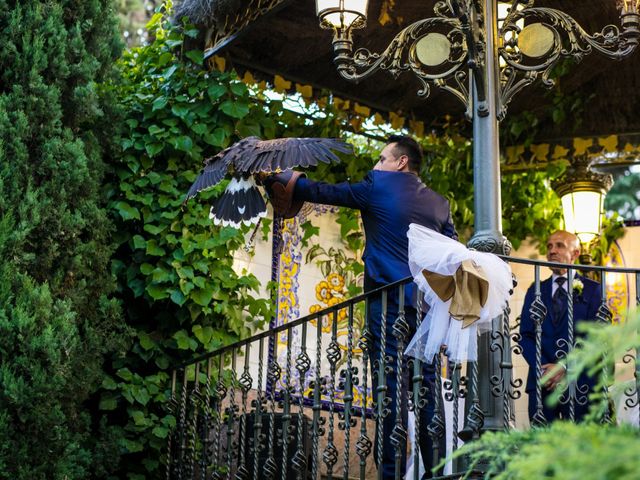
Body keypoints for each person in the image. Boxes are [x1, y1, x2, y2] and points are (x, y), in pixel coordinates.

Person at [266, 135, 457, 479]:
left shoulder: (378, 186)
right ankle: (439, 472)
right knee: (427, 390)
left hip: (387, 306)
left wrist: (283, 178)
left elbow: (328, 192)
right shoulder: (439, 204)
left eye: (382, 158)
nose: (375, 165)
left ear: (401, 163)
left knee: (389, 392)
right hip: (426, 311)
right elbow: (452, 257)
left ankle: (391, 472)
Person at [519, 230, 602, 423]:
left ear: (575, 253)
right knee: (542, 447)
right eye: (549, 246)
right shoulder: (535, 291)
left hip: (580, 383)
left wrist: (565, 366)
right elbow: (525, 335)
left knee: (581, 447)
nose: (552, 251)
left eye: (559, 246)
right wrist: (543, 370)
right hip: (542, 384)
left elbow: (596, 336)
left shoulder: (593, 290)